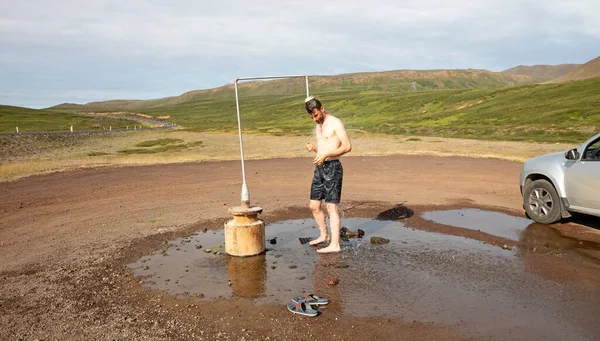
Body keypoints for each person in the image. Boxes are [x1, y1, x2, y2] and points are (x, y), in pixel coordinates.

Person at [304, 96, 352, 253]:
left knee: (331, 207)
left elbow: (347, 146)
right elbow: (325, 147)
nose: (315, 119)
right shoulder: (319, 125)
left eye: (316, 115)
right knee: (314, 205)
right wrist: (316, 149)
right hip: (320, 167)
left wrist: (325, 155)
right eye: (312, 117)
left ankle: (335, 244)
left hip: (333, 167)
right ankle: (324, 235)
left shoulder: (335, 123)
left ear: (322, 109)